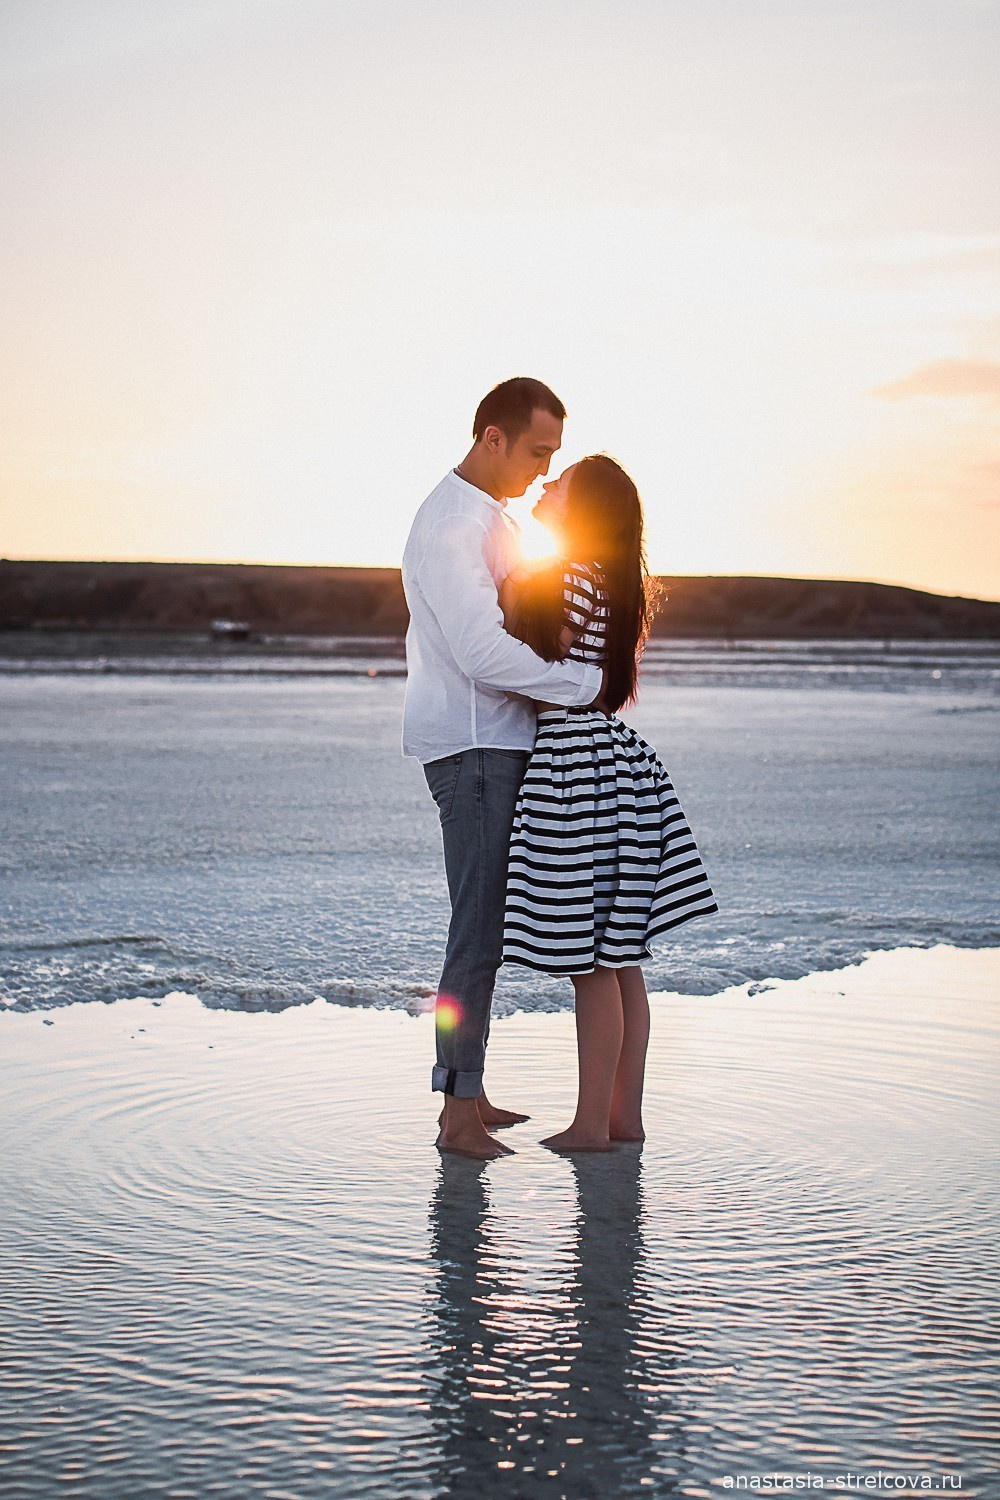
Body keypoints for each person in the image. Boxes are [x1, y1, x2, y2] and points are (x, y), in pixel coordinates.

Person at [402, 378, 604, 1161]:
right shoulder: (453, 522)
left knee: (483, 925)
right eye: (537, 451)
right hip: (476, 746)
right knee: (476, 930)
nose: (543, 467)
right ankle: (456, 1115)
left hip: (494, 743)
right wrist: (585, 689)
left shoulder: (490, 518)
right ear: (493, 438)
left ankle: (471, 1087)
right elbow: (483, 651)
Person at [501, 455, 718, 1151]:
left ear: (581, 510)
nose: (544, 486)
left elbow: (535, 668)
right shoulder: (613, 584)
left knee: (590, 960)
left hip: (577, 768)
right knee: (620, 955)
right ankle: (625, 1116)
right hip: (616, 764)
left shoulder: (568, 579)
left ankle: (592, 1124)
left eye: (558, 484)